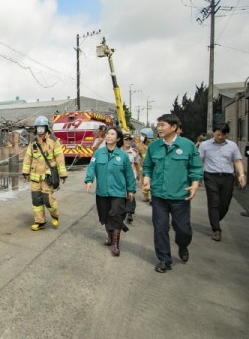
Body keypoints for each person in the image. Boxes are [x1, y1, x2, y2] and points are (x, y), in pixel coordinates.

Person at [142, 114, 203, 273]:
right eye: (158, 125)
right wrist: (147, 179)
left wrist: (195, 185)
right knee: (160, 228)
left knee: (183, 230)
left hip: (180, 196)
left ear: (174, 127)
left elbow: (196, 168)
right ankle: (164, 259)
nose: (159, 128)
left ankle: (183, 245)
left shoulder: (188, 146)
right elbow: (147, 167)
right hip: (159, 196)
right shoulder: (154, 146)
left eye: (162, 125)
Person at [85, 127, 136, 256]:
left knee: (116, 215)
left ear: (118, 138)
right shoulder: (98, 153)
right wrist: (89, 180)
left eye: (112, 134)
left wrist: (131, 189)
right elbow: (92, 167)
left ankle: (115, 244)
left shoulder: (123, 156)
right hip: (102, 192)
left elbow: (129, 174)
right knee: (105, 217)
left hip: (118, 192)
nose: (108, 135)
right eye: (107, 133)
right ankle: (109, 236)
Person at [198, 123, 247, 241]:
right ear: (213, 132)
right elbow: (198, 161)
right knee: (214, 202)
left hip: (227, 177)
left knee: (225, 203)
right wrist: (198, 176)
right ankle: (216, 229)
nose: (220, 137)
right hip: (211, 176)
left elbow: (237, 161)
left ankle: (214, 218)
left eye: (223, 135)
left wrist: (241, 175)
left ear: (227, 134)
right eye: (218, 134)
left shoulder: (232, 146)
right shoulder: (205, 145)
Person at [22, 116, 68, 231]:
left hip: (48, 177)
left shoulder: (53, 140)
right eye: (38, 127)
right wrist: (25, 172)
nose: (40, 129)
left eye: (42, 127)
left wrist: (62, 173)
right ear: (36, 128)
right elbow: (28, 157)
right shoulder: (33, 142)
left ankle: (55, 215)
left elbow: (59, 157)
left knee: (48, 200)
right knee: (36, 200)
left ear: (47, 128)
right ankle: (40, 222)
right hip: (35, 177)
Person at [122, 133, 141, 223]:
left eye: (129, 140)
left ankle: (129, 213)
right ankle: (121, 211)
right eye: (126, 140)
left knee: (130, 193)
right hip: (120, 177)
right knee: (121, 194)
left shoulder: (134, 151)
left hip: (131, 176)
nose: (128, 141)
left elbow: (137, 163)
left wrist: (138, 174)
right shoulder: (118, 151)